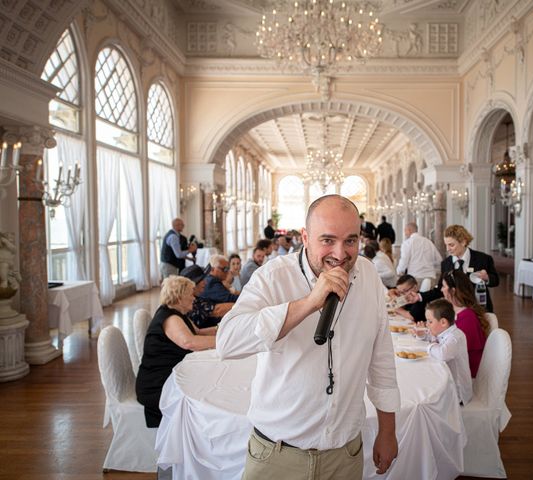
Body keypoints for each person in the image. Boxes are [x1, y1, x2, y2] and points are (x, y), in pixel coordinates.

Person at [217, 195, 400, 478]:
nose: (340, 254)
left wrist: (388, 431)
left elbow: (382, 359)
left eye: (350, 241)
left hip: (344, 453)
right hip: (276, 455)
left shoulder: (369, 277)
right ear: (305, 236)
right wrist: (307, 304)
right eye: (327, 240)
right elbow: (227, 342)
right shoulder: (273, 277)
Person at [135, 275, 216, 427]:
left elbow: (198, 333)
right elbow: (189, 342)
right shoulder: (169, 318)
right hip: (157, 385)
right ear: (179, 297)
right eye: (190, 294)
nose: (194, 298)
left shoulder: (177, 314)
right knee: (205, 394)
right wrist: (225, 342)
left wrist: (223, 329)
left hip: (168, 375)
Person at [422, 224, 500, 313]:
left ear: (463, 242)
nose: (448, 249)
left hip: (479, 309)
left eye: (451, 245)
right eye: (446, 245)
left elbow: (496, 281)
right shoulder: (446, 263)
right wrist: (420, 296)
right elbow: (440, 289)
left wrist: (486, 278)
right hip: (455, 311)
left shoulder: (483, 259)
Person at [421, 298, 472, 405]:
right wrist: (423, 336)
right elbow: (435, 339)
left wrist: (430, 346)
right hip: (448, 383)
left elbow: (442, 354)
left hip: (458, 393)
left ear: (443, 322)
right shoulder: (445, 332)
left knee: (424, 399)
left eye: (430, 321)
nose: (427, 324)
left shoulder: (455, 337)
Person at [441, 269, 489, 378]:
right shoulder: (454, 311)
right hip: (455, 364)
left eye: (444, 286)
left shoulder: (468, 317)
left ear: (452, 291)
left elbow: (455, 350)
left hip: (465, 373)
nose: (441, 289)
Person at [396, 222, 442, 288]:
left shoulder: (407, 243)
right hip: (430, 277)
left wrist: (399, 272)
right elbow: (439, 259)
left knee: (412, 297)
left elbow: (404, 260)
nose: (405, 233)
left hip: (415, 278)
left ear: (409, 230)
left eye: (405, 230)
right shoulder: (428, 242)